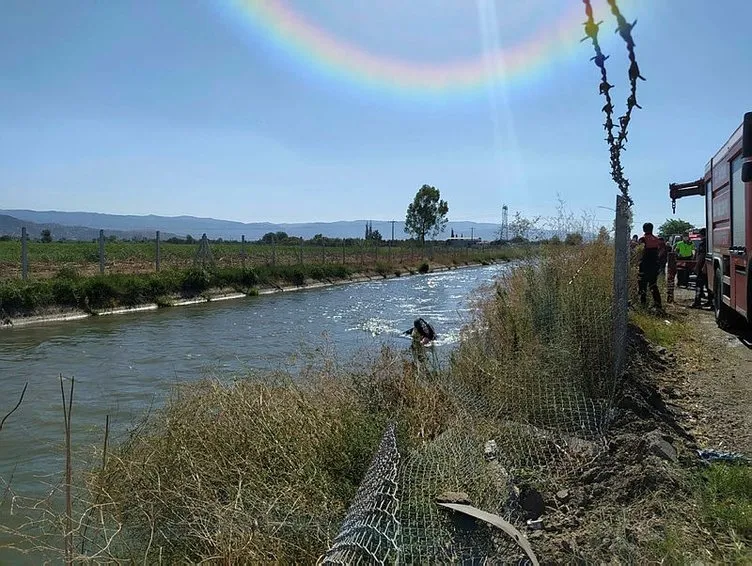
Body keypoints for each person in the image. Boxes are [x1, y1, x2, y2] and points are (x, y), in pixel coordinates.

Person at [638, 222, 663, 310]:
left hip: (645, 265)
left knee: (642, 285)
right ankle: (658, 305)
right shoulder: (657, 239)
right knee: (653, 285)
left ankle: (643, 305)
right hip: (655, 265)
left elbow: (639, 252)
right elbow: (660, 252)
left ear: (644, 229)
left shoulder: (642, 239)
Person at [691, 228, 712, 308]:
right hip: (708, 267)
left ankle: (697, 302)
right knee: (708, 286)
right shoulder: (710, 242)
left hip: (703, 268)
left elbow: (702, 256)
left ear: (702, 234)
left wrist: (697, 267)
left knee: (699, 285)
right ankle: (710, 302)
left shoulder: (703, 243)